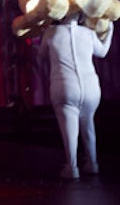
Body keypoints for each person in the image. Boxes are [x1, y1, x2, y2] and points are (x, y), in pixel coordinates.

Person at [38, 12, 114, 180]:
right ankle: (92, 163)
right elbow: (102, 52)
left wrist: (42, 31)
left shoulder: (51, 33)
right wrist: (110, 30)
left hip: (65, 85)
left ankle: (72, 167)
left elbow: (42, 55)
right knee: (89, 126)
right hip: (91, 86)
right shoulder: (88, 33)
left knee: (69, 130)